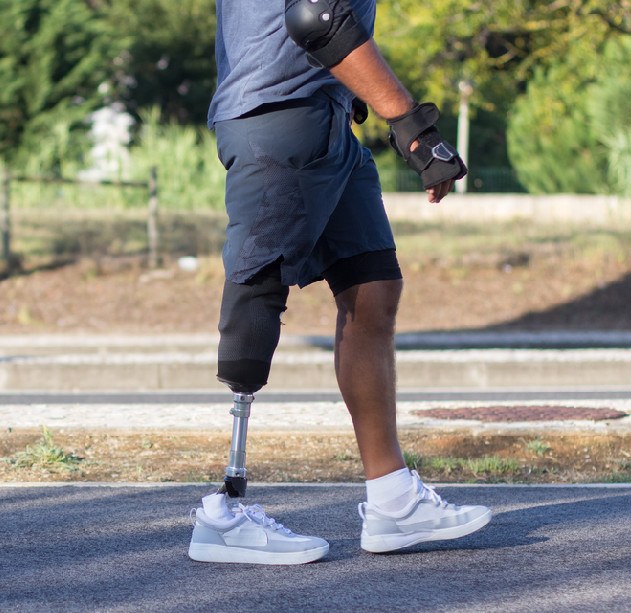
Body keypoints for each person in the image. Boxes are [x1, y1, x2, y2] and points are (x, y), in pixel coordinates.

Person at [186, 0, 491, 565]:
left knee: (371, 286)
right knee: (257, 295)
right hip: (280, 120)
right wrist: (412, 126)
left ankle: (394, 500)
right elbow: (317, 18)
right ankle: (223, 513)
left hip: (327, 123)